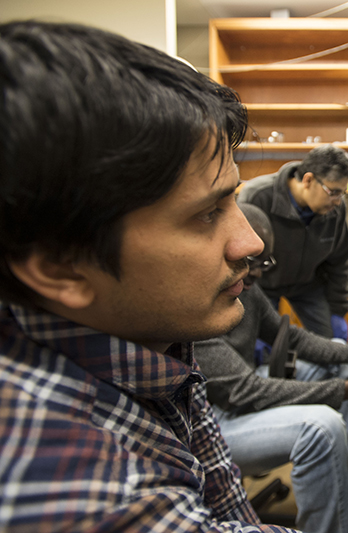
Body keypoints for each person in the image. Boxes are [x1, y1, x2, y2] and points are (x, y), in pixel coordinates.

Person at [0, 20, 294, 532]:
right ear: (59, 266)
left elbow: (227, 508)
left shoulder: (152, 339)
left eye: (232, 198)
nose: (251, 244)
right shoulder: (90, 489)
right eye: (207, 213)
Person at [194, 204, 348, 533]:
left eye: (264, 263)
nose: (257, 274)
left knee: (338, 362)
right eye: (251, 262)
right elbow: (248, 391)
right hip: (215, 422)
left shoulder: (247, 290)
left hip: (243, 391)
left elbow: (290, 337)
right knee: (322, 429)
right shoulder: (194, 310)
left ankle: (345, 472)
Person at [238, 145, 348, 340]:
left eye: (342, 193)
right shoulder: (257, 196)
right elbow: (242, 260)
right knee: (262, 344)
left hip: (308, 285)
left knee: (330, 344)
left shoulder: (335, 209)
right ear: (308, 180)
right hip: (263, 286)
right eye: (333, 192)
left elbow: (339, 261)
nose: (337, 201)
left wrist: (338, 310)